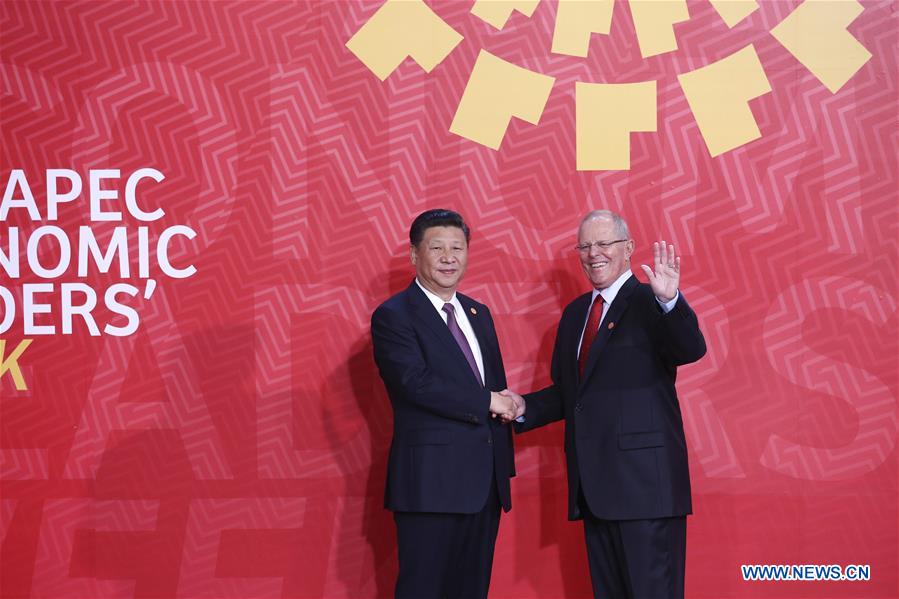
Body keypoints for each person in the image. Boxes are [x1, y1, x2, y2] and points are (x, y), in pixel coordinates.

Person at [506, 210, 706, 598]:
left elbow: (690, 348)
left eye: (603, 243)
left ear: (628, 248)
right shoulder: (576, 314)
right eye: (584, 245)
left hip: (646, 491)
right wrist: (522, 407)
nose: (592, 253)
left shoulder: (652, 301)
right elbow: (571, 395)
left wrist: (670, 301)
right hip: (594, 490)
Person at [371, 209, 519, 599]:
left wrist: (511, 405)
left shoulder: (478, 313)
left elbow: (494, 388)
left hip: (485, 484)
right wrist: (490, 400)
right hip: (429, 484)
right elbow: (414, 383)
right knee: (424, 590)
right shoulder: (393, 316)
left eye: (458, 247)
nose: (449, 257)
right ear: (414, 255)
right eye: (437, 248)